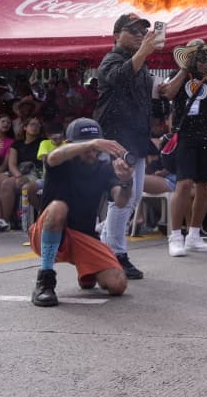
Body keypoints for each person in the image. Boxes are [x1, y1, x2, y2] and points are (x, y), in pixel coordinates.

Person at [29, 118, 133, 307]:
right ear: (71, 145)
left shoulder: (104, 169)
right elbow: (53, 157)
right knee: (58, 207)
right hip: (48, 229)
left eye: (95, 148)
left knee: (117, 284)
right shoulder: (61, 162)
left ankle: (86, 271)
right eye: (86, 147)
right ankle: (45, 280)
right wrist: (92, 142)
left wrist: (126, 181)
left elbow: (120, 201)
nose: (92, 152)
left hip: (83, 236)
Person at [93, 12, 160, 280]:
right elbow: (118, 78)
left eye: (142, 31)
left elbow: (150, 98)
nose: (139, 35)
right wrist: (142, 53)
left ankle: (109, 241)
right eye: (132, 31)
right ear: (116, 36)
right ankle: (116, 254)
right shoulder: (111, 59)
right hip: (117, 139)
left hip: (137, 138)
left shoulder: (142, 67)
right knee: (122, 198)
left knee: (131, 199)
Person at [160, 39, 207, 257]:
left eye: (203, 56)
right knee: (183, 184)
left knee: (204, 186)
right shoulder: (180, 74)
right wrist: (184, 69)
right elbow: (169, 93)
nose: (201, 60)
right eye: (196, 56)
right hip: (186, 136)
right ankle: (175, 237)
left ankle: (193, 235)